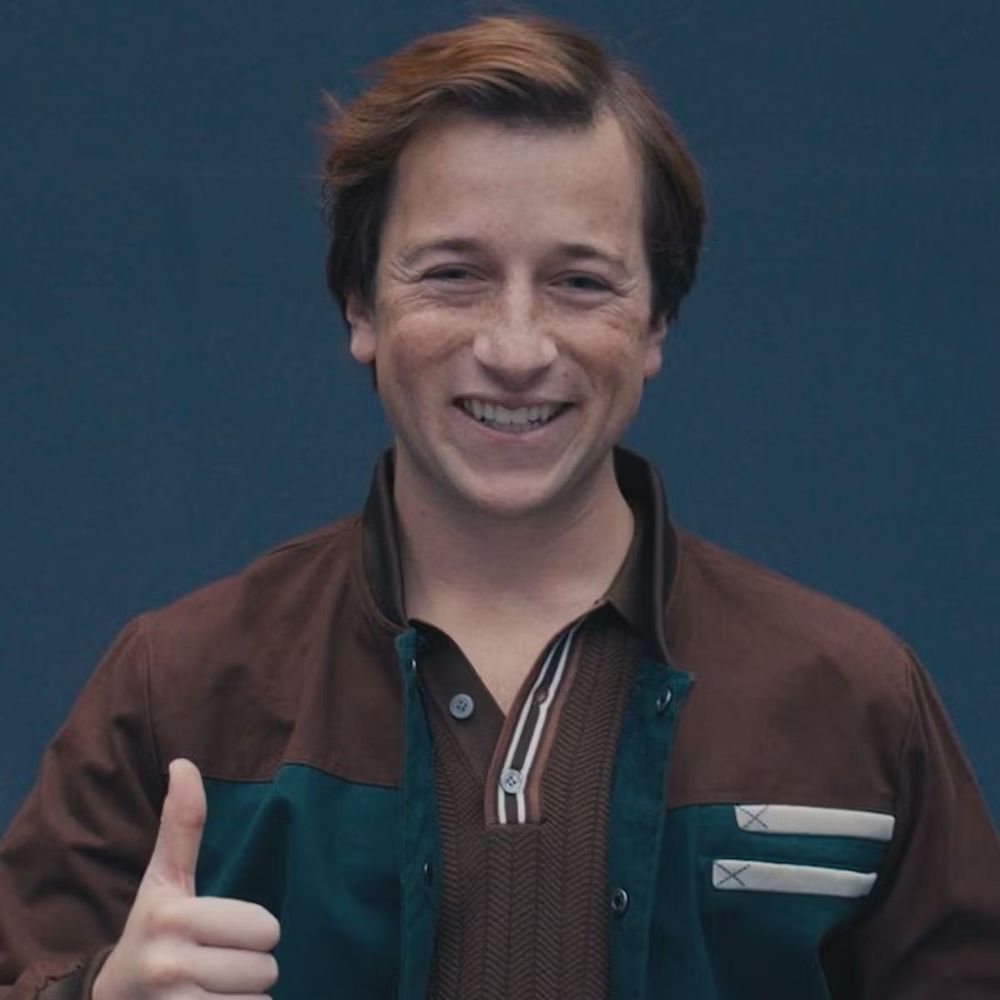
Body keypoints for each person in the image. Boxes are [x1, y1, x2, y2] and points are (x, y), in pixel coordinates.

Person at [1, 12, 998, 1000]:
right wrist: (97, 996)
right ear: (359, 304)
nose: (516, 348)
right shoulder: (179, 688)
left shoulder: (847, 698)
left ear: (655, 320)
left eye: (579, 282)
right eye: (454, 275)